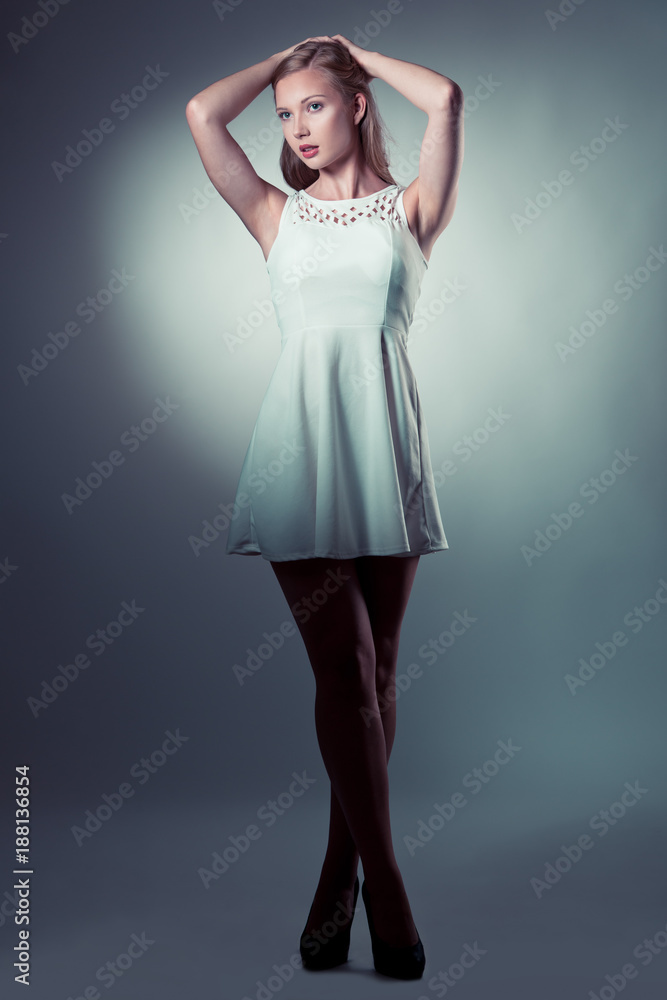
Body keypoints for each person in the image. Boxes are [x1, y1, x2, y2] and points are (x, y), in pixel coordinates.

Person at [186, 34, 464, 980]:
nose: (296, 127)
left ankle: (336, 875)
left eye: (313, 105)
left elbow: (446, 98)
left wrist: (353, 54)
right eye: (284, 114)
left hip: (385, 447)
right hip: (298, 453)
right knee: (342, 664)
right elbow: (201, 113)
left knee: (378, 667)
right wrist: (281, 60)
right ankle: (388, 888)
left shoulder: (411, 210)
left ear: (354, 104)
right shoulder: (274, 213)